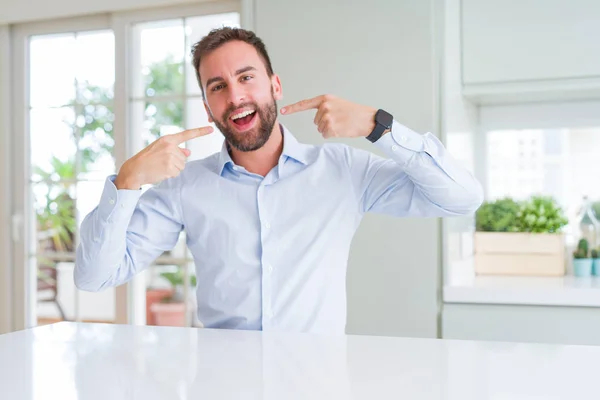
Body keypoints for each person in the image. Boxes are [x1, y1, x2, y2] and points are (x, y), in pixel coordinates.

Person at [75, 27, 483, 335]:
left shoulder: (343, 170)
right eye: (218, 87)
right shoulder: (187, 187)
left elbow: (461, 198)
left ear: (276, 86)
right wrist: (127, 181)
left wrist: (381, 127)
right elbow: (94, 277)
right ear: (208, 106)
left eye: (246, 77)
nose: (235, 96)